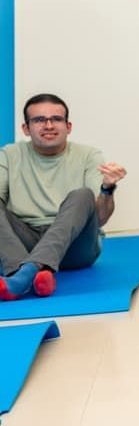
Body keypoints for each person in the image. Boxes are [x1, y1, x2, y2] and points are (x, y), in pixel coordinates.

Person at [0, 93, 126, 300]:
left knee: (83, 195)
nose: (49, 125)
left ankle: (22, 275)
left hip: (75, 248)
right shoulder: (9, 154)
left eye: (56, 119)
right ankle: (28, 272)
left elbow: (101, 218)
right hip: (24, 244)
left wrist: (107, 188)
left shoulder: (89, 155)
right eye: (39, 120)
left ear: (68, 127)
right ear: (26, 128)